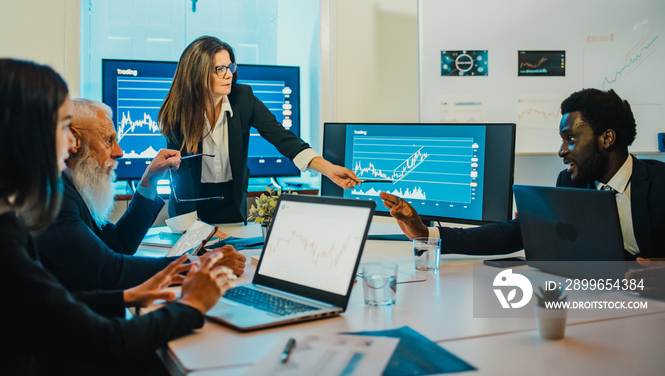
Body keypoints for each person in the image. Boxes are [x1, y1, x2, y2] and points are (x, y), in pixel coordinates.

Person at [0, 58, 236, 374]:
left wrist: (125, 296)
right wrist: (192, 304)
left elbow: (42, 306)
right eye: (64, 127)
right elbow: (107, 336)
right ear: (25, 132)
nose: (70, 142)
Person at [381, 88, 665, 261]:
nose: (562, 151)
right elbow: (515, 233)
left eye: (571, 139)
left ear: (607, 138)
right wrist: (425, 234)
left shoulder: (659, 183)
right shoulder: (569, 183)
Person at [35, 98, 246, 293]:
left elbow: (118, 244)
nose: (119, 152)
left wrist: (149, 181)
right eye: (109, 140)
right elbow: (108, 271)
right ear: (73, 140)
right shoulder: (53, 198)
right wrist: (200, 265)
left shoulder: (70, 187)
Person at [158, 35, 360, 224]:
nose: (229, 75)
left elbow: (283, 138)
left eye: (230, 67)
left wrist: (328, 169)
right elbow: (182, 177)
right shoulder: (178, 112)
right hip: (190, 202)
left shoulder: (243, 98)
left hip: (231, 200)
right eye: (220, 69)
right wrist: (192, 233)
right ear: (197, 74)